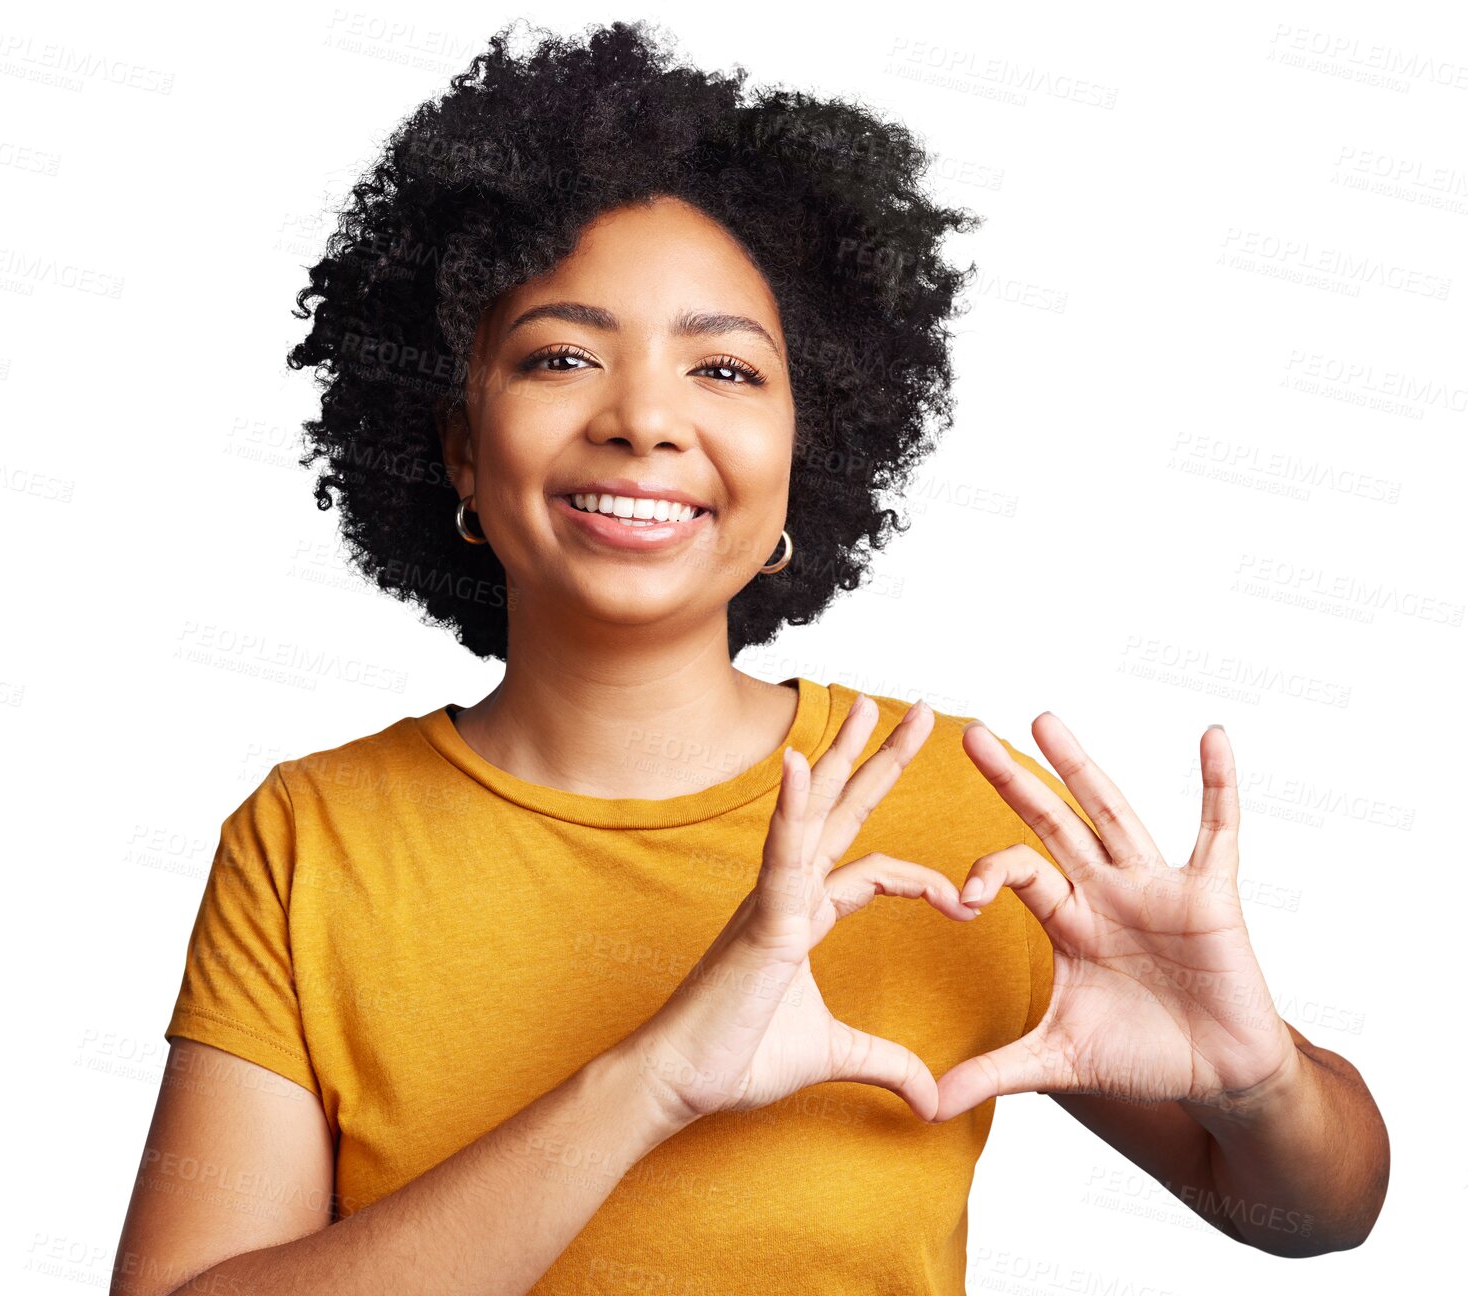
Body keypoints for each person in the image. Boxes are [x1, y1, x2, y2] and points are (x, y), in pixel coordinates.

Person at [109, 19, 1388, 1296]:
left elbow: (1308, 1219)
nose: (645, 420)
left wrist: (1258, 1079)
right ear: (457, 444)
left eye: (724, 368)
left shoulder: (933, 800)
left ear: (801, 461)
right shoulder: (313, 839)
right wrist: (653, 1079)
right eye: (561, 356)